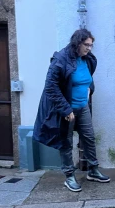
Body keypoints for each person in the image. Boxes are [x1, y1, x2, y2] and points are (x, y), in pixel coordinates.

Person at [33, 29, 110, 192]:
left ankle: (93, 170)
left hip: (83, 107)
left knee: (89, 137)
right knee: (66, 142)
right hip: (67, 110)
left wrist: (90, 89)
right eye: (87, 45)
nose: (89, 48)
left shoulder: (87, 59)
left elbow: (88, 79)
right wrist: (66, 109)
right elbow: (50, 87)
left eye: (91, 45)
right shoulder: (60, 59)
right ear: (77, 43)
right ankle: (69, 176)